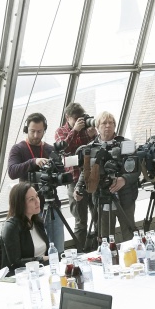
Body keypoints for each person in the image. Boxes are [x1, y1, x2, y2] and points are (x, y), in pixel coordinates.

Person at [74, 111, 139, 242]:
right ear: (97, 126)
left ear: (115, 126)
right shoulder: (90, 148)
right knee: (105, 237)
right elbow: (85, 171)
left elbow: (136, 171)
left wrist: (123, 179)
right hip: (101, 197)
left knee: (129, 234)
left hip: (125, 198)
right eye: (104, 123)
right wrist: (78, 188)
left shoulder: (126, 144)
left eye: (111, 123)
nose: (108, 126)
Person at [7, 112, 64, 253]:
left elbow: (61, 175)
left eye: (39, 132)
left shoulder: (50, 150)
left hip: (52, 204)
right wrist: (33, 162)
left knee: (58, 250)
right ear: (26, 129)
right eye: (32, 131)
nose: (36, 135)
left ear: (44, 130)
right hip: (31, 211)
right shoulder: (18, 149)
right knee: (41, 252)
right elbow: (12, 171)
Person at [55, 102, 97, 251]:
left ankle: (98, 246)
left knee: (97, 215)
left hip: (92, 177)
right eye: (76, 119)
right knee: (81, 221)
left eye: (81, 118)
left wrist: (93, 135)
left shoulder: (86, 130)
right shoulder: (61, 131)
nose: (80, 121)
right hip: (74, 181)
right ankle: (80, 252)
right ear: (68, 117)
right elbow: (65, 149)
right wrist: (74, 130)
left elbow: (95, 149)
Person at [1, 182, 50, 271]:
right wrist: (42, 259)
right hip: (22, 275)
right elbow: (16, 262)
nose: (37, 201)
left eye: (37, 196)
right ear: (20, 204)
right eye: (31, 199)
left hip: (43, 270)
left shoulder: (37, 222)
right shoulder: (11, 227)